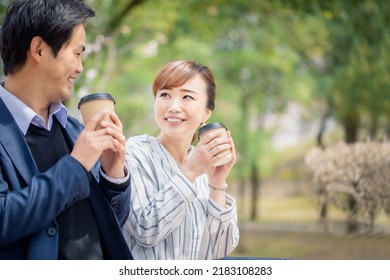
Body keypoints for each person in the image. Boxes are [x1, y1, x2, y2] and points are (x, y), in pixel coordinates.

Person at [0, 0, 133, 260]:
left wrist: (113, 173)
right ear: (39, 49)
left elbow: (111, 222)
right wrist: (76, 165)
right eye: (76, 52)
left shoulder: (75, 130)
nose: (80, 67)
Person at [123, 60, 239, 259]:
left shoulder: (206, 168)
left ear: (206, 113)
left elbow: (220, 250)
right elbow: (145, 230)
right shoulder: (134, 153)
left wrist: (217, 183)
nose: (174, 107)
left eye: (187, 97)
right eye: (165, 95)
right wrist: (190, 173)